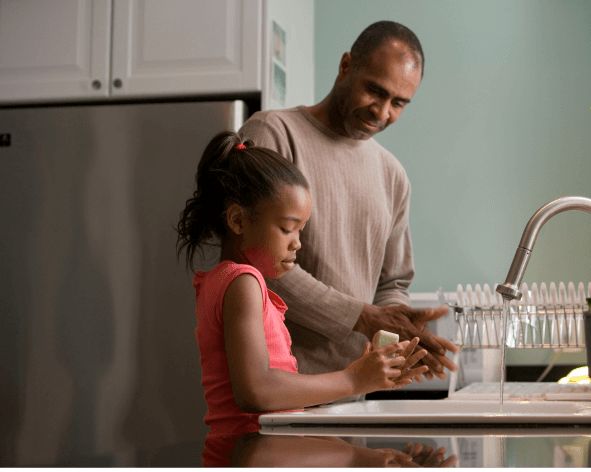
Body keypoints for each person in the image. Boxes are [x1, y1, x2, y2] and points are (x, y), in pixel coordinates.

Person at [176, 131, 428, 466]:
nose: (297, 243)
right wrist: (354, 379)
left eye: (301, 230)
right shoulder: (243, 282)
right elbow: (257, 391)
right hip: (251, 456)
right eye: (287, 228)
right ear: (238, 220)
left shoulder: (226, 281)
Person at [239, 21, 458, 382]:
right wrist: (363, 316)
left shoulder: (393, 175)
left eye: (399, 103)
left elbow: (392, 284)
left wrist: (398, 328)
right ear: (345, 66)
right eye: (375, 90)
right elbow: (257, 261)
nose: (382, 112)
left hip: (352, 390)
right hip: (276, 386)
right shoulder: (273, 134)